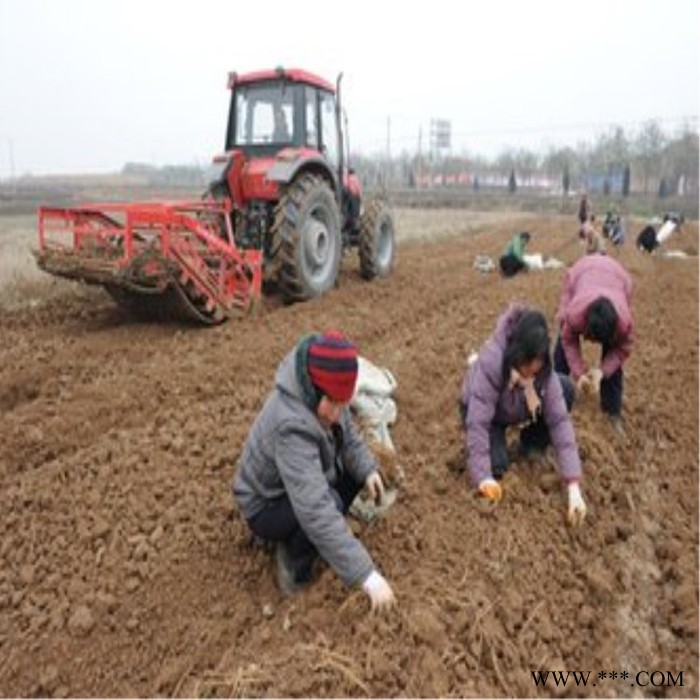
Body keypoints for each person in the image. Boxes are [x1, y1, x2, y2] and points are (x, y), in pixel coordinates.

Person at [232, 330, 396, 612]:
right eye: (332, 404)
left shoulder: (328, 390)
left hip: (301, 480)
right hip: (266, 504)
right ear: (313, 390)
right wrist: (366, 575)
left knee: (353, 475)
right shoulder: (290, 424)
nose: (337, 412)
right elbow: (315, 509)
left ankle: (319, 538)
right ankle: (292, 562)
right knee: (327, 504)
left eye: (342, 404)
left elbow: (349, 437)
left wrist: (368, 470)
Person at [459, 305, 587, 525]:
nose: (533, 371)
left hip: (518, 405)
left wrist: (573, 486)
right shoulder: (493, 362)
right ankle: (495, 456)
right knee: (496, 467)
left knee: (564, 388)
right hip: (490, 415)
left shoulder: (543, 370)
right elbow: (478, 422)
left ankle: (532, 445)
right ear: (517, 354)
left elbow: (559, 422)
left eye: (537, 368)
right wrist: (483, 477)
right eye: (528, 366)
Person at [554, 255, 633, 430]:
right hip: (581, 273)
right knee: (562, 337)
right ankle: (554, 395)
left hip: (619, 278)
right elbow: (569, 340)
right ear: (586, 325)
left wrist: (602, 372)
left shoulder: (624, 324)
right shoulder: (575, 314)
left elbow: (622, 349)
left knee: (613, 359)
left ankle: (612, 412)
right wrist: (579, 373)